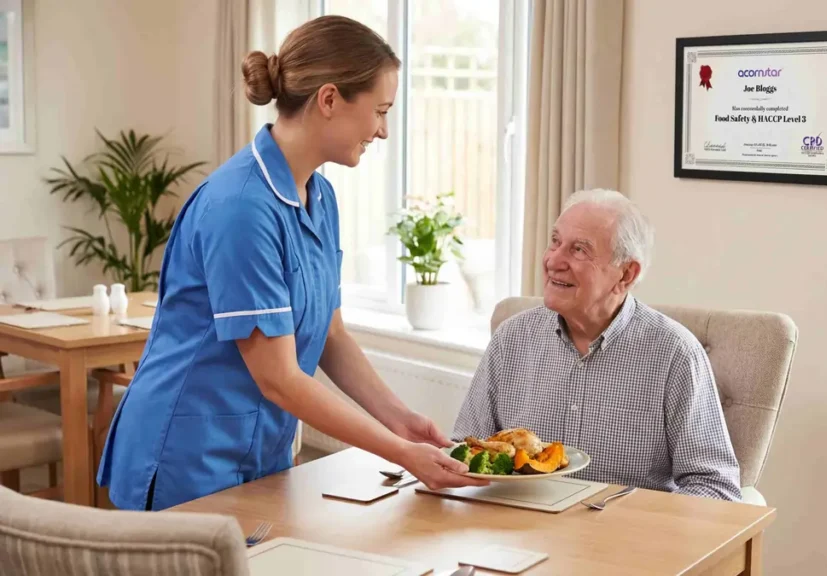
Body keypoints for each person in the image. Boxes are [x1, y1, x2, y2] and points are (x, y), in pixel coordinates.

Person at [97, 15, 486, 512]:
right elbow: (277, 377)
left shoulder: (319, 197)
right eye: (380, 111)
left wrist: (400, 420)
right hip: (185, 456)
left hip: (259, 454)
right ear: (329, 100)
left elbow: (331, 334)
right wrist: (401, 454)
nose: (383, 131)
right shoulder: (241, 207)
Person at [451, 189, 741, 500]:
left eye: (579, 250)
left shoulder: (674, 353)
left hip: (623, 538)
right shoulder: (512, 338)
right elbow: (464, 451)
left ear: (626, 274)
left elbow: (716, 488)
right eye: (555, 241)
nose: (554, 260)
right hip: (517, 531)